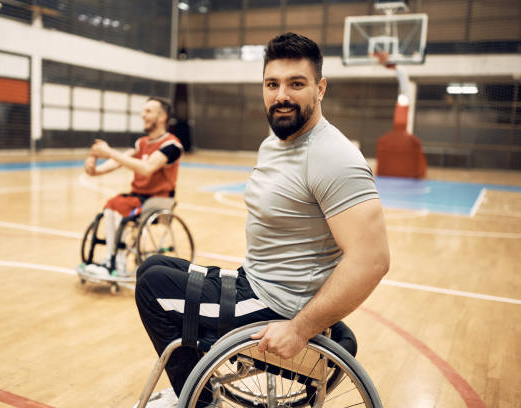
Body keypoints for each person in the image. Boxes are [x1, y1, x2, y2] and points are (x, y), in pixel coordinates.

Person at [134, 32, 390, 406]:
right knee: (154, 266)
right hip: (254, 282)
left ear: (320, 89)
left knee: (152, 286)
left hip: (279, 305)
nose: (281, 95)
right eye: (273, 84)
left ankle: (198, 400)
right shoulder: (275, 142)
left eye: (296, 84)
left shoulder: (333, 157)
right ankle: (195, 388)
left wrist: (300, 329)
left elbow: (373, 261)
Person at [83, 96, 183, 276]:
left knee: (121, 206)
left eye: (148, 111)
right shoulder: (142, 143)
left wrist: (109, 152)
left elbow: (146, 168)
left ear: (162, 117)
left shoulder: (172, 145)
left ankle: (117, 264)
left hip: (158, 200)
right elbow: (118, 161)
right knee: (112, 203)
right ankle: (112, 258)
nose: (142, 115)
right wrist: (95, 171)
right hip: (139, 197)